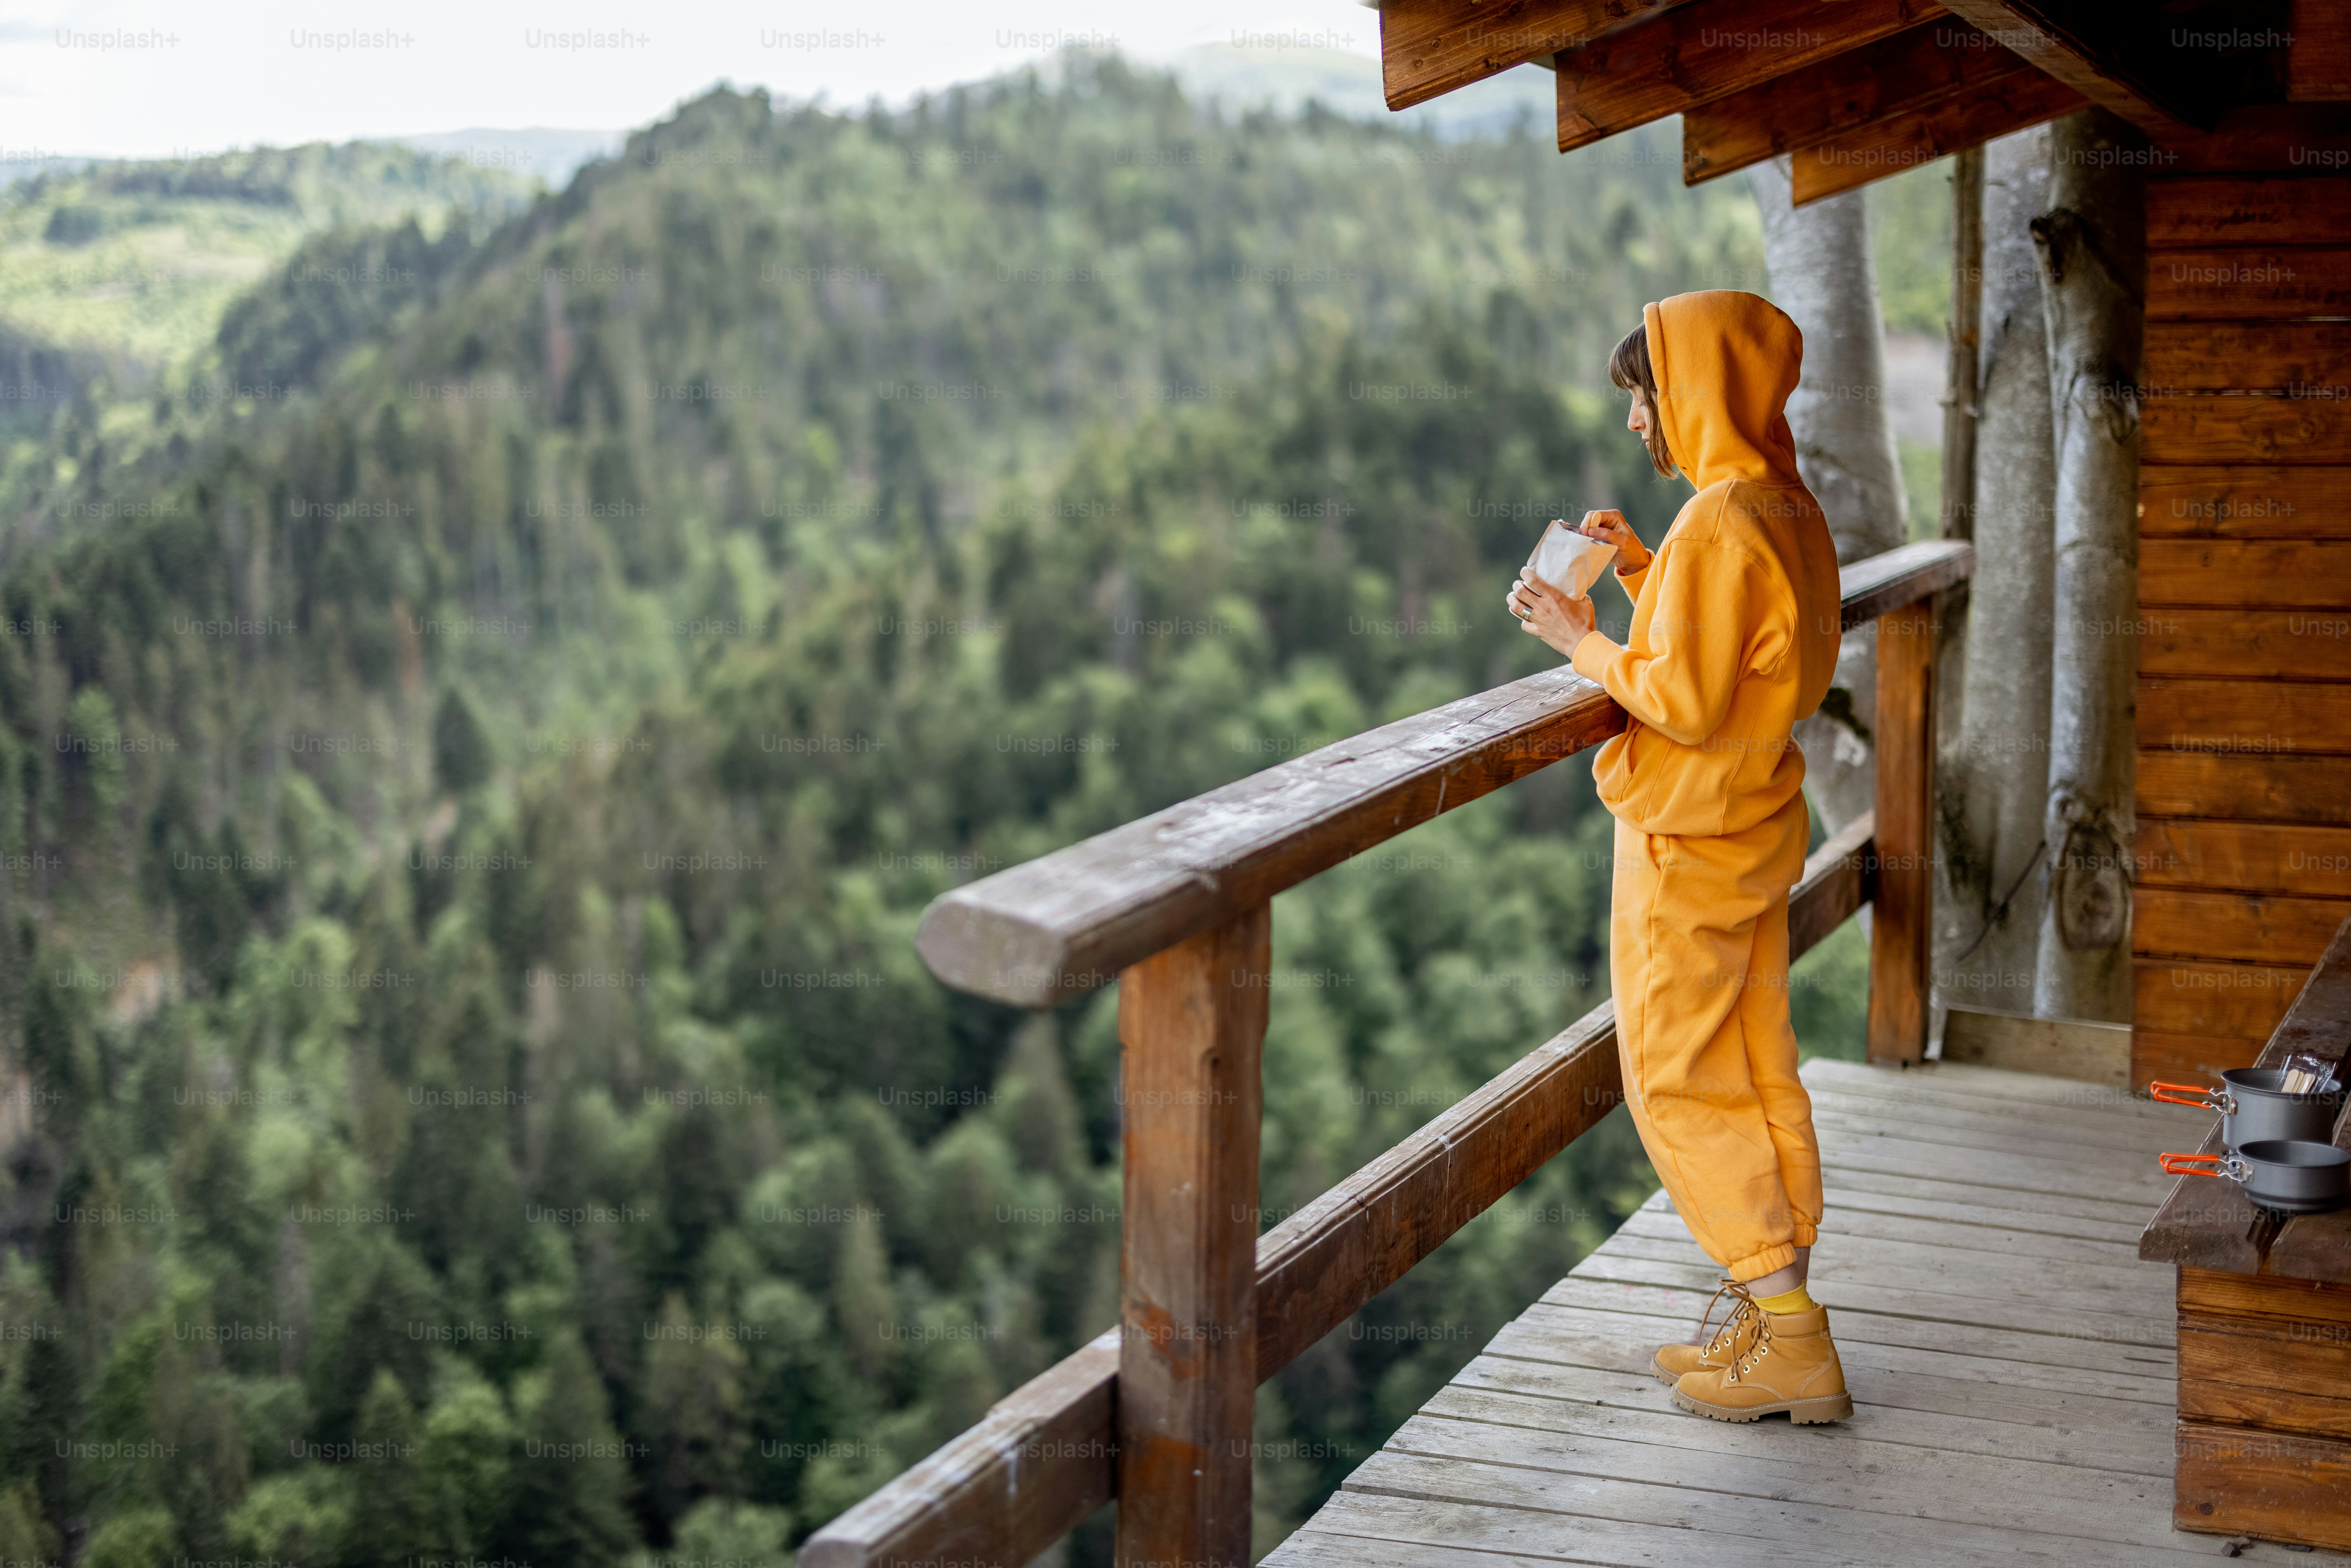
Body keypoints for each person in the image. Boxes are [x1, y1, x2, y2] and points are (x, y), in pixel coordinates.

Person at [1505, 290, 1851, 1424]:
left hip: (1685, 840)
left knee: (1674, 1076)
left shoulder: (1719, 518)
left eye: (1644, 397)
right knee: (1754, 1060)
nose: (1635, 423)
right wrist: (1643, 564)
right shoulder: (1782, 506)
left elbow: (1685, 699)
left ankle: (1792, 1338)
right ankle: (1775, 1319)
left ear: (1693, 390)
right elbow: (1744, 652)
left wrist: (1580, 640)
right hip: (1753, 826)